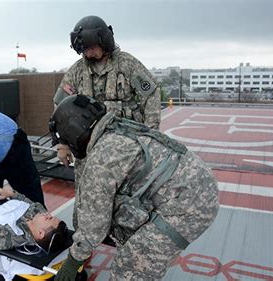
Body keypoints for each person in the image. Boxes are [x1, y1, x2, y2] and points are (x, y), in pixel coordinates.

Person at [49, 95, 219, 280]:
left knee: (131, 265)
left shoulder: (102, 159)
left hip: (188, 205)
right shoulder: (119, 128)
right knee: (129, 236)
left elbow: (94, 224)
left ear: (73, 132)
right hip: (193, 188)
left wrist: (73, 262)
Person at [53, 15, 161, 167]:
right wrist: (63, 145)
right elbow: (61, 106)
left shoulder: (127, 64)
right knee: (88, 189)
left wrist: (151, 136)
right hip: (90, 148)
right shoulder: (77, 71)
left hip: (127, 146)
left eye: (92, 48)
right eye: (84, 49)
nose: (88, 53)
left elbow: (150, 96)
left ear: (104, 42)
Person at [0, 185, 67, 253]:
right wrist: (10, 193)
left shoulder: (8, 236)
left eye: (49, 218)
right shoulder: (39, 213)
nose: (47, 214)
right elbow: (25, 200)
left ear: (40, 233)